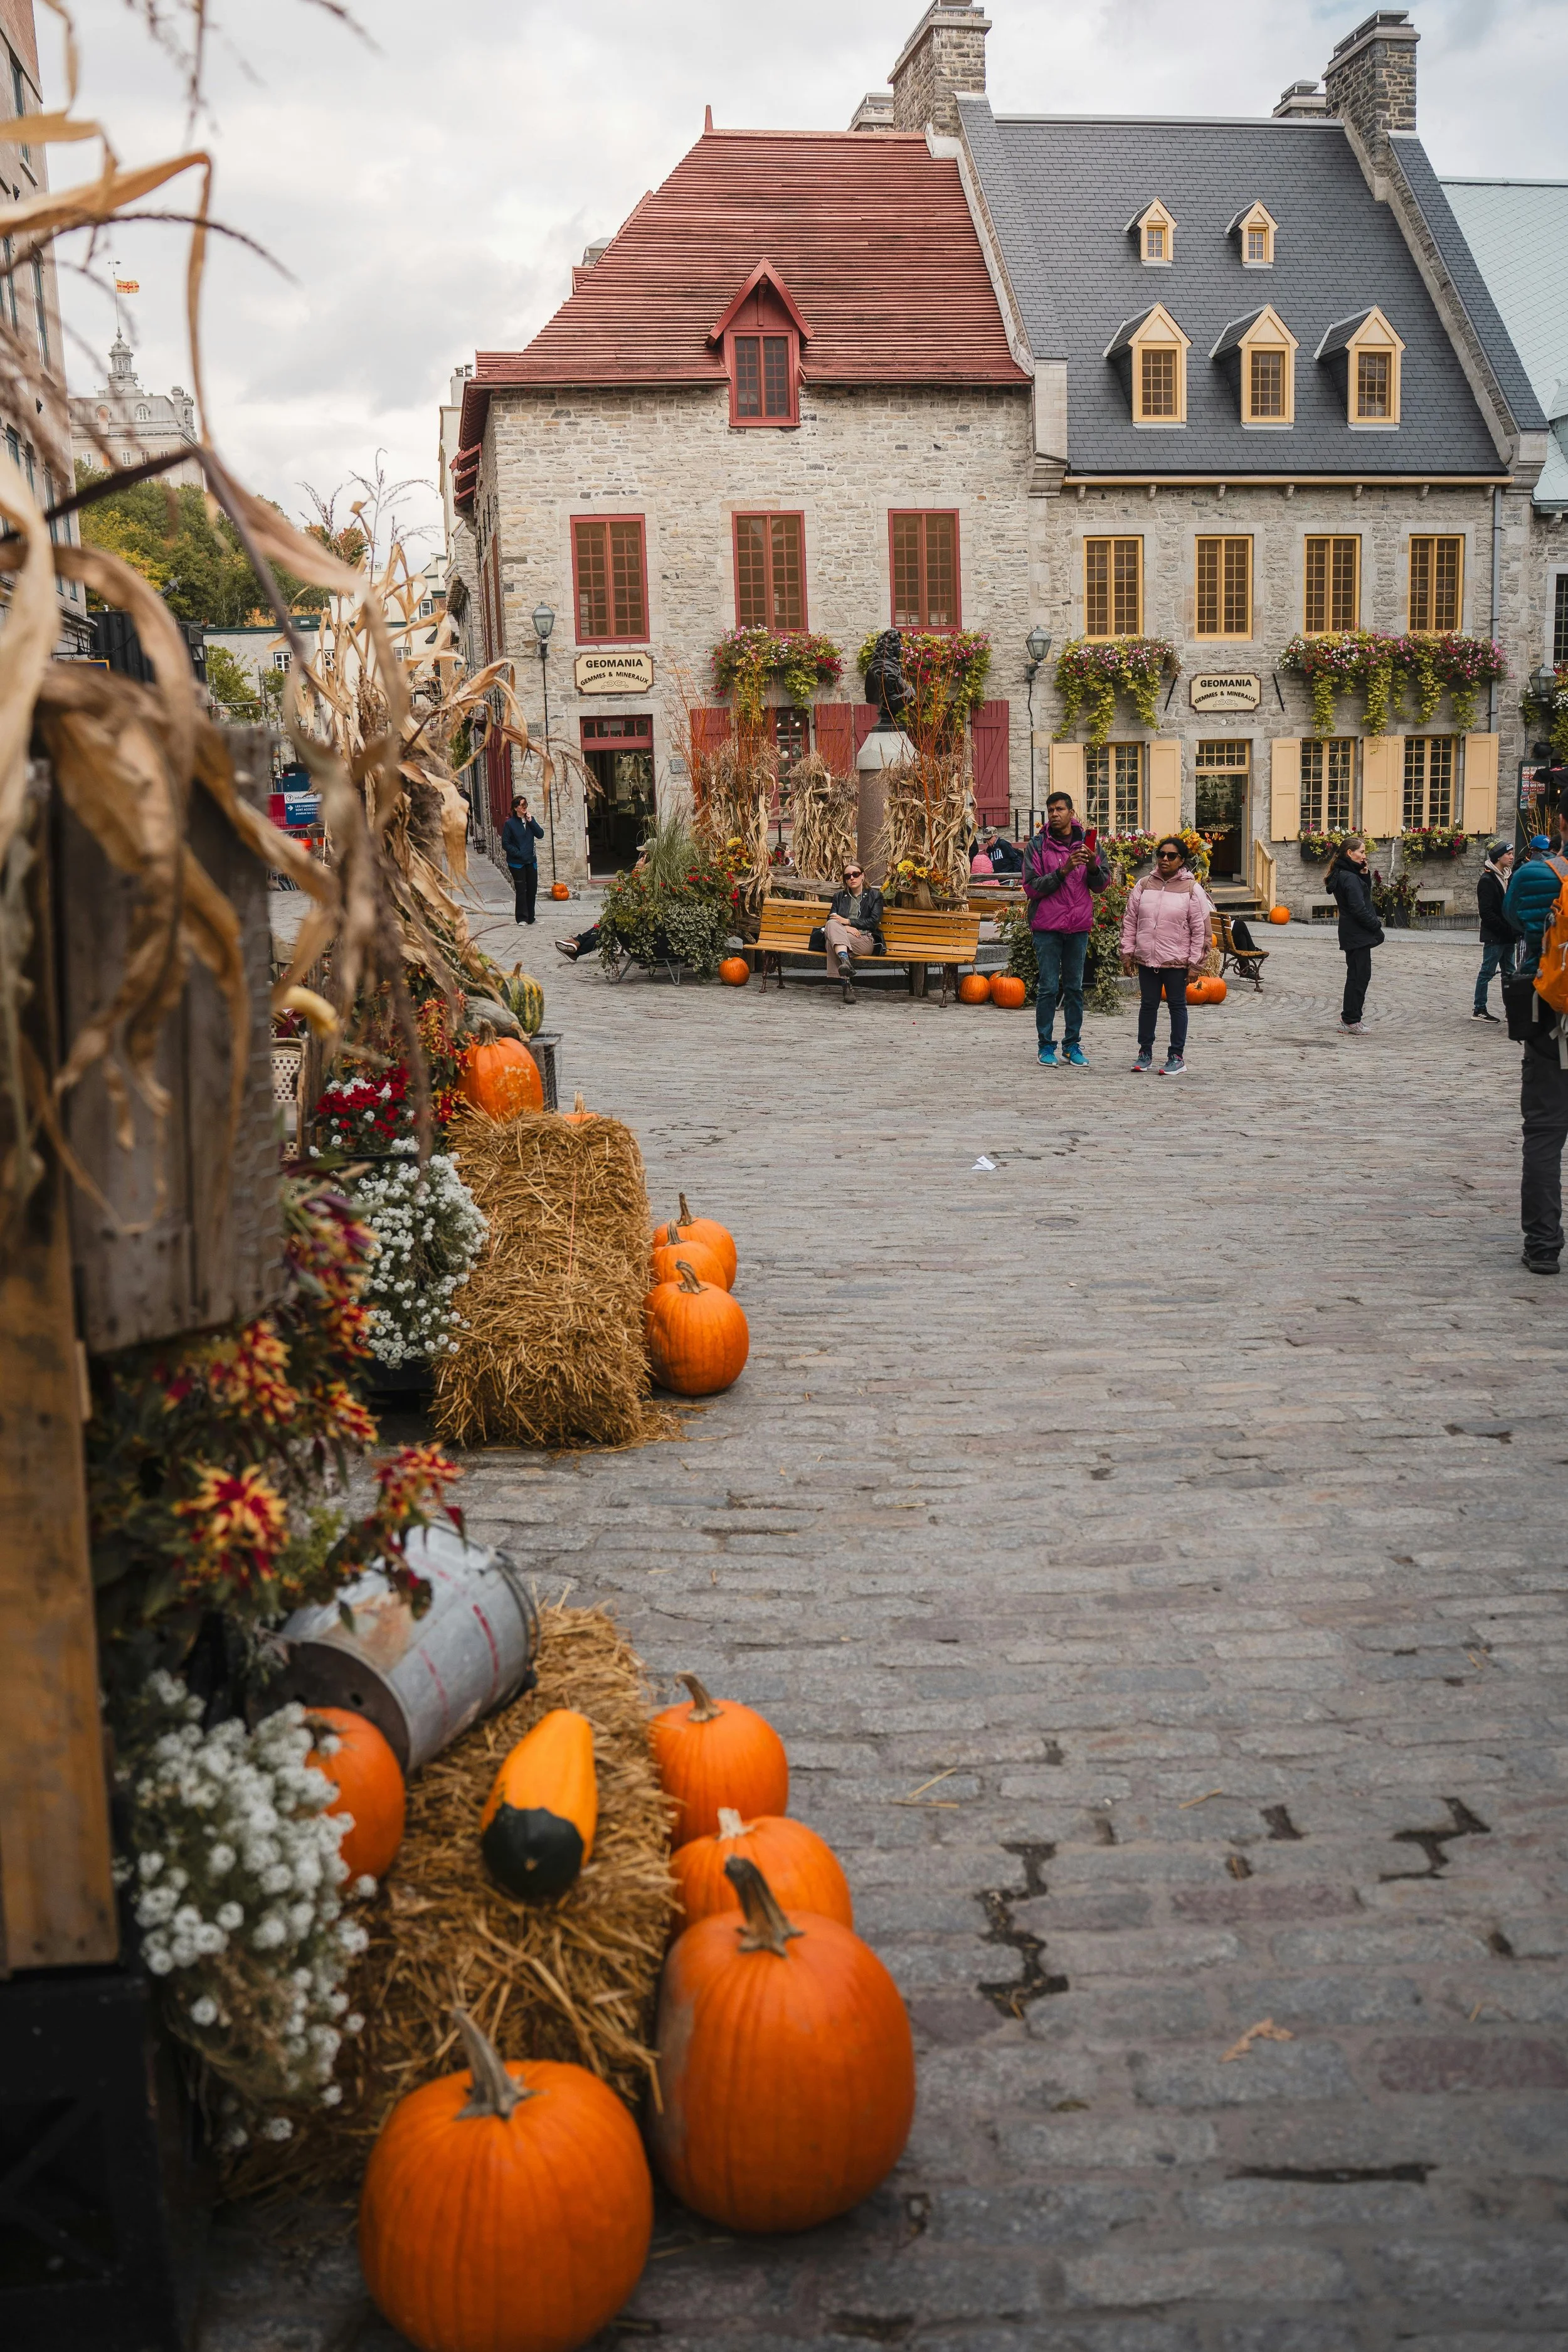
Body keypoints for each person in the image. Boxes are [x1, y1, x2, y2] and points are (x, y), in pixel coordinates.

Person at [1504, 834, 1568, 1273]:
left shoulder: (1534, 873)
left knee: (1545, 1131)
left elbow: (1512, 919)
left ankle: (1544, 1245)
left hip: (1552, 1016)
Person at [1023, 791, 1110, 1067]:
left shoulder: (1089, 845)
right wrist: (1063, 871)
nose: (1054, 815)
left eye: (1060, 809)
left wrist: (1094, 866)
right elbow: (1031, 887)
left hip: (1078, 927)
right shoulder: (1037, 846)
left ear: (1072, 813)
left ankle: (1072, 1045)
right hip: (1047, 927)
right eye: (1050, 810)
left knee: (1075, 989)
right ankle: (1045, 1046)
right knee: (1048, 988)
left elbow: (1101, 886)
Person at [1119, 837, 1212, 1076]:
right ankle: (1145, 1053)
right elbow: (1130, 922)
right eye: (1161, 854)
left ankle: (1176, 1056)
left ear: (1182, 861)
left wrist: (1195, 964)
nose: (1165, 860)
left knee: (1177, 1006)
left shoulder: (1192, 889)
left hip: (1176, 961)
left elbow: (1201, 929)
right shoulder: (1143, 884)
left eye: (1171, 856)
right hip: (1147, 958)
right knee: (1148, 1005)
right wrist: (1127, 953)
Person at [1322, 834, 1382, 1032]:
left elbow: (1363, 896)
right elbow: (1359, 908)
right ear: (1350, 853)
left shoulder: (1345, 874)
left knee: (1357, 975)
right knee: (1359, 977)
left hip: (1352, 934)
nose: (1364, 855)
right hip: (1357, 934)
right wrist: (1376, 925)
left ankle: (1351, 1018)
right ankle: (1350, 1020)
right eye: (1362, 852)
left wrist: (1364, 874)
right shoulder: (1348, 878)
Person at [814, 859, 884, 1004]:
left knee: (830, 942)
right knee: (832, 924)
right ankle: (845, 967)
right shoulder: (839, 897)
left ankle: (846, 981)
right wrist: (845, 928)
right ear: (845, 880)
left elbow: (873, 922)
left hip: (864, 939)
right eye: (848, 876)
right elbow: (832, 920)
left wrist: (848, 922)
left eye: (855, 874)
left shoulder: (875, 896)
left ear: (862, 876)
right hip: (844, 936)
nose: (852, 878)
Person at [1473, 841, 1516, 1022]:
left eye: (1513, 853)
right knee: (1487, 972)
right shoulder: (1487, 880)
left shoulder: (1508, 877)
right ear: (1499, 857)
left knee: (1510, 974)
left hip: (1509, 935)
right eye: (1508, 854)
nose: (1512, 857)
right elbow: (1487, 913)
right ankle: (1479, 1008)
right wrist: (1505, 928)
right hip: (1495, 935)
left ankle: (1512, 1010)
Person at [501, 793, 544, 924]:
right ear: (516, 808)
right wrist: (518, 853)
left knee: (532, 890)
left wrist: (532, 822)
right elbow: (506, 843)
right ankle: (522, 918)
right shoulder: (510, 824)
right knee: (521, 891)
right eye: (522, 805)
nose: (525, 807)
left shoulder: (531, 821)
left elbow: (540, 834)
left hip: (531, 861)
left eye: (526, 805)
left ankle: (531, 917)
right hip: (517, 863)